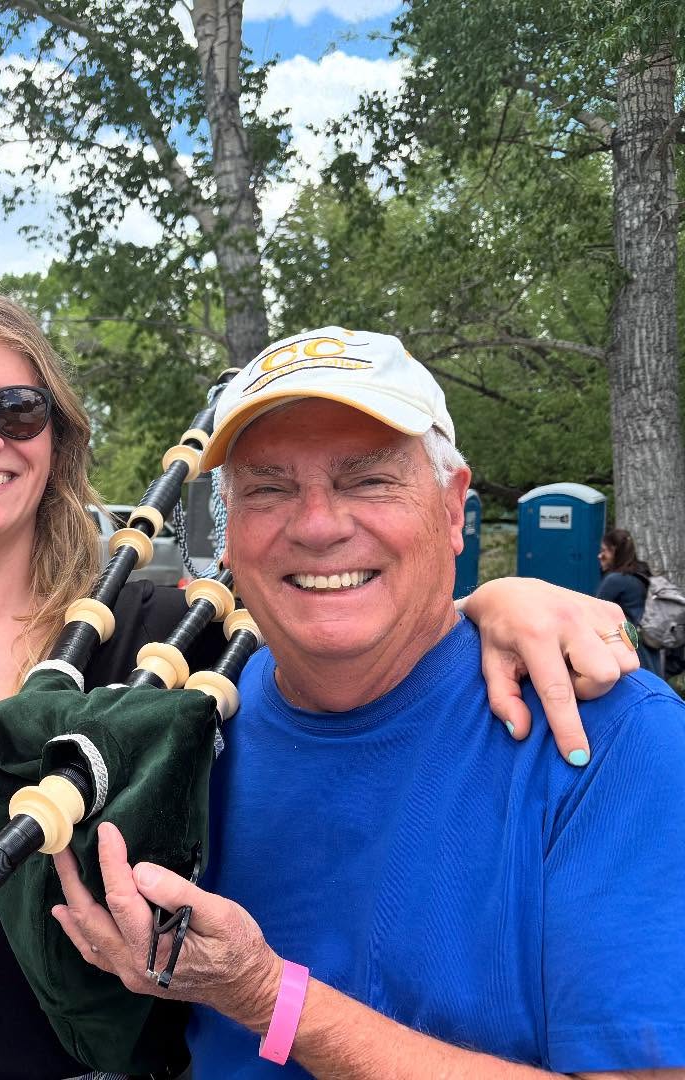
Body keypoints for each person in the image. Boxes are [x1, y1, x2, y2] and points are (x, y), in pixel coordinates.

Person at [0, 297, 640, 1080]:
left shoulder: (169, 637)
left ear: (57, 437)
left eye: (18, 408)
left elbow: (346, 609)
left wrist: (499, 601)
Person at [52, 327, 685, 1077]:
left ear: (453, 510)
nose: (318, 525)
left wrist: (268, 998)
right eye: (269, 487)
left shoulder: (608, 734)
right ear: (227, 531)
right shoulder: (200, 730)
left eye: (368, 480)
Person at [597, 526, 664, 676]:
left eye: (604, 551)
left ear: (614, 550)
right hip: (648, 647)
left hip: (630, 648)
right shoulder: (641, 572)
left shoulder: (615, 580)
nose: (600, 555)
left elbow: (595, 613)